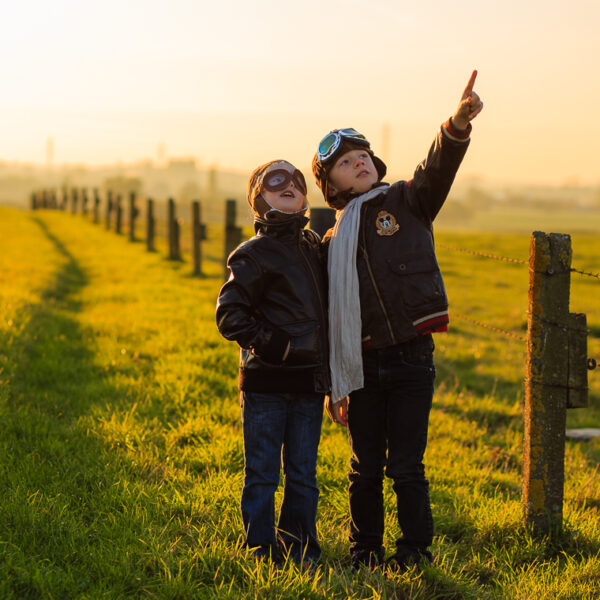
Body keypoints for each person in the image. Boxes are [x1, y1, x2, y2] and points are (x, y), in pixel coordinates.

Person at [312, 71, 483, 571]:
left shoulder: (407, 202)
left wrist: (455, 125)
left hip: (410, 358)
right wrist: (333, 383)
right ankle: (365, 548)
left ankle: (413, 551)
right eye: (345, 161)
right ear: (331, 185)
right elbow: (328, 318)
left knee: (407, 465)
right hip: (360, 365)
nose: (358, 162)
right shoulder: (330, 242)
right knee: (364, 467)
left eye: (362, 155)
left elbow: (437, 168)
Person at [216, 160, 330, 564]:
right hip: (265, 383)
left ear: (305, 198)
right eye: (275, 182)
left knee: (303, 474)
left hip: (308, 385)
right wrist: (275, 346)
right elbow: (230, 316)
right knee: (263, 473)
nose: (289, 185)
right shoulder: (251, 254)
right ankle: (260, 549)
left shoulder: (313, 245)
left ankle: (300, 548)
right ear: (258, 200)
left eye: (297, 182)